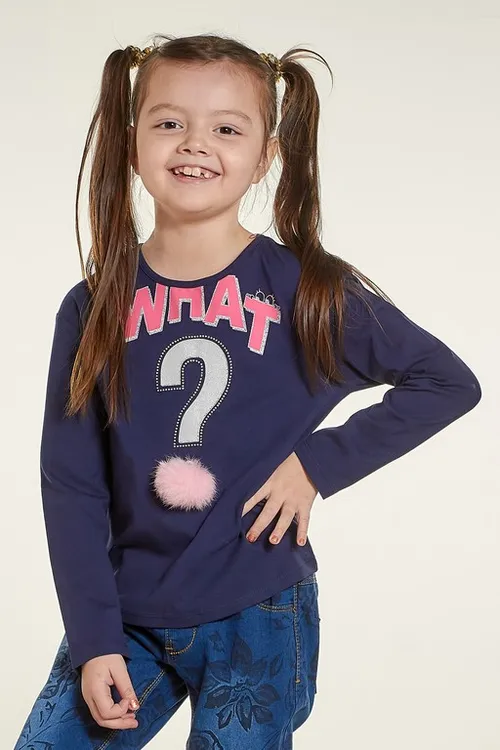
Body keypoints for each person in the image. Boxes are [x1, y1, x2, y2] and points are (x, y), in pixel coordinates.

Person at [14, 32, 481, 750]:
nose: (195, 144)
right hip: (124, 614)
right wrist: (92, 636)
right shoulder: (92, 305)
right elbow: (71, 483)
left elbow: (446, 381)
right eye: (169, 122)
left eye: (227, 129)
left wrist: (316, 465)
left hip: (258, 608)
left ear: (266, 156)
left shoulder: (308, 289)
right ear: (131, 141)